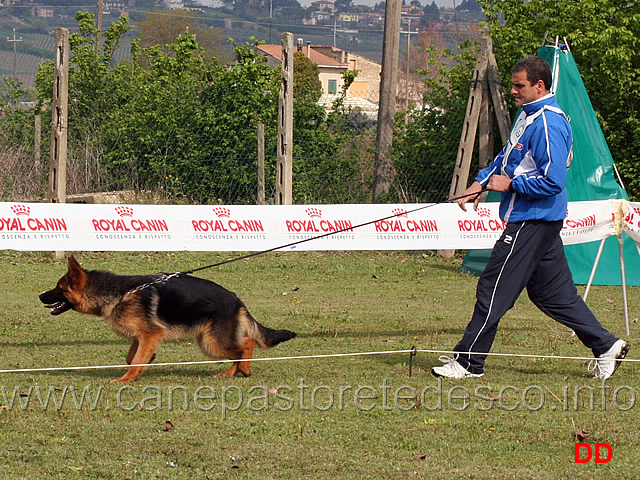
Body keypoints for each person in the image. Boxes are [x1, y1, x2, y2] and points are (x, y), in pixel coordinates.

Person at [432, 56, 629, 380]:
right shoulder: (529, 117)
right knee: (553, 295)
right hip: (537, 220)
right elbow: (506, 158)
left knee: (493, 287)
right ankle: (606, 344)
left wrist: (510, 184)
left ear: (539, 85)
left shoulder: (550, 124)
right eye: (513, 85)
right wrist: (480, 183)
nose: (513, 91)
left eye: (519, 85)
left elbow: (553, 182)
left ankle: (469, 362)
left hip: (532, 220)